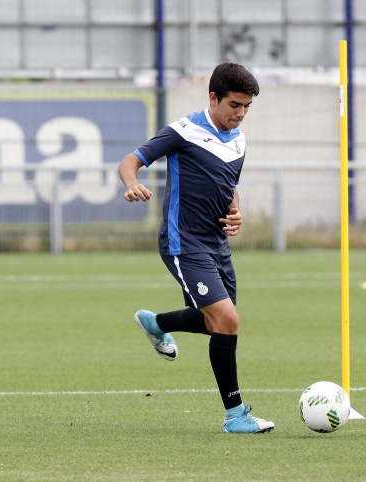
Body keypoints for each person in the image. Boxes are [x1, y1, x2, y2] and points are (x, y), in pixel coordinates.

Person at [118, 62, 274, 434]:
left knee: (213, 323)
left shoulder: (239, 140)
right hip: (183, 242)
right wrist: (132, 183)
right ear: (213, 98)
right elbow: (130, 161)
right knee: (227, 320)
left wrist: (236, 212)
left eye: (247, 107)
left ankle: (155, 323)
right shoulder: (184, 131)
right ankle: (235, 416)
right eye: (234, 104)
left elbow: (230, 186)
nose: (240, 113)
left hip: (217, 244)